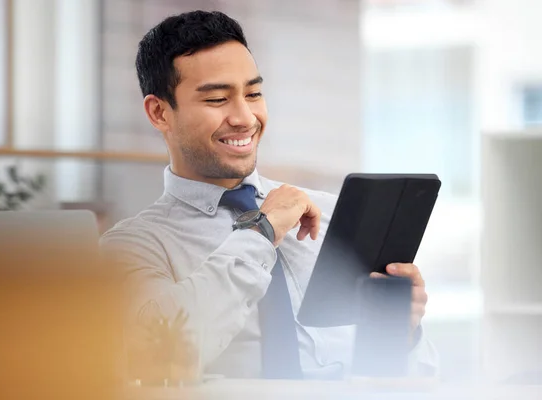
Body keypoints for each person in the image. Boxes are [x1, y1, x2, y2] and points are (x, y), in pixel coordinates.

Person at [101, 10, 438, 380]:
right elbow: (161, 353)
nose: (245, 117)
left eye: (254, 93)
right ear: (159, 113)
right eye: (217, 100)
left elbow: (421, 377)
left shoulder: (328, 215)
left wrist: (401, 335)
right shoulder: (132, 246)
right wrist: (261, 232)